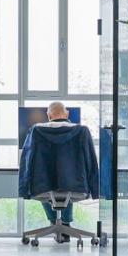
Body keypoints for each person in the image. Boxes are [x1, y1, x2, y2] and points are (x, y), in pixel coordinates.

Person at [36, 101, 78, 240]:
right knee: (67, 183)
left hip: (45, 182)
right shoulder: (79, 131)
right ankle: (65, 224)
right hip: (74, 182)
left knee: (43, 185)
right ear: (67, 114)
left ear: (49, 116)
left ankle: (55, 222)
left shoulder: (37, 131)